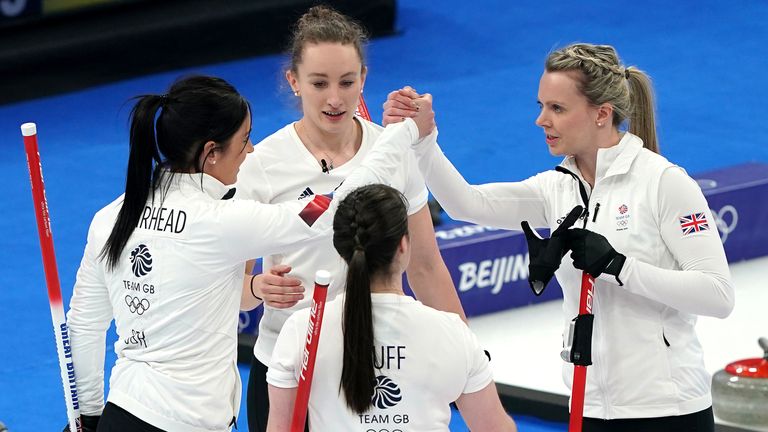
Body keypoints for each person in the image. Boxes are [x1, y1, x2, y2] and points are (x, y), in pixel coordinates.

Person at [384, 43, 735, 431]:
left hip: (668, 412)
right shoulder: (557, 188)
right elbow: (468, 204)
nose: (541, 120)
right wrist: (424, 141)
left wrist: (619, 267)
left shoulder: (664, 183)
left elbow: (717, 295)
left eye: (557, 109)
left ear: (602, 114)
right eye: (541, 106)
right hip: (589, 407)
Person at [64, 75, 435, 431]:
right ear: (211, 153)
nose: (252, 150)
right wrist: (401, 135)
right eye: (244, 140)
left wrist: (90, 416)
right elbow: (328, 211)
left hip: (121, 413)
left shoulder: (109, 217)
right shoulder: (220, 222)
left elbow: (84, 326)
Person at [236, 6, 466, 430]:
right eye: (319, 83)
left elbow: (427, 266)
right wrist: (255, 287)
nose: (335, 99)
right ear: (294, 81)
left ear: (363, 77)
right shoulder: (262, 165)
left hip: (375, 369)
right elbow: (233, 291)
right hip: (288, 370)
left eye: (346, 82)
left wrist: (470, 354)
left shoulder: (393, 151)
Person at [265, 184, 517, 432]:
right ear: (404, 245)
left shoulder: (301, 330)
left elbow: (279, 427)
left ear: (341, 250)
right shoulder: (453, 334)